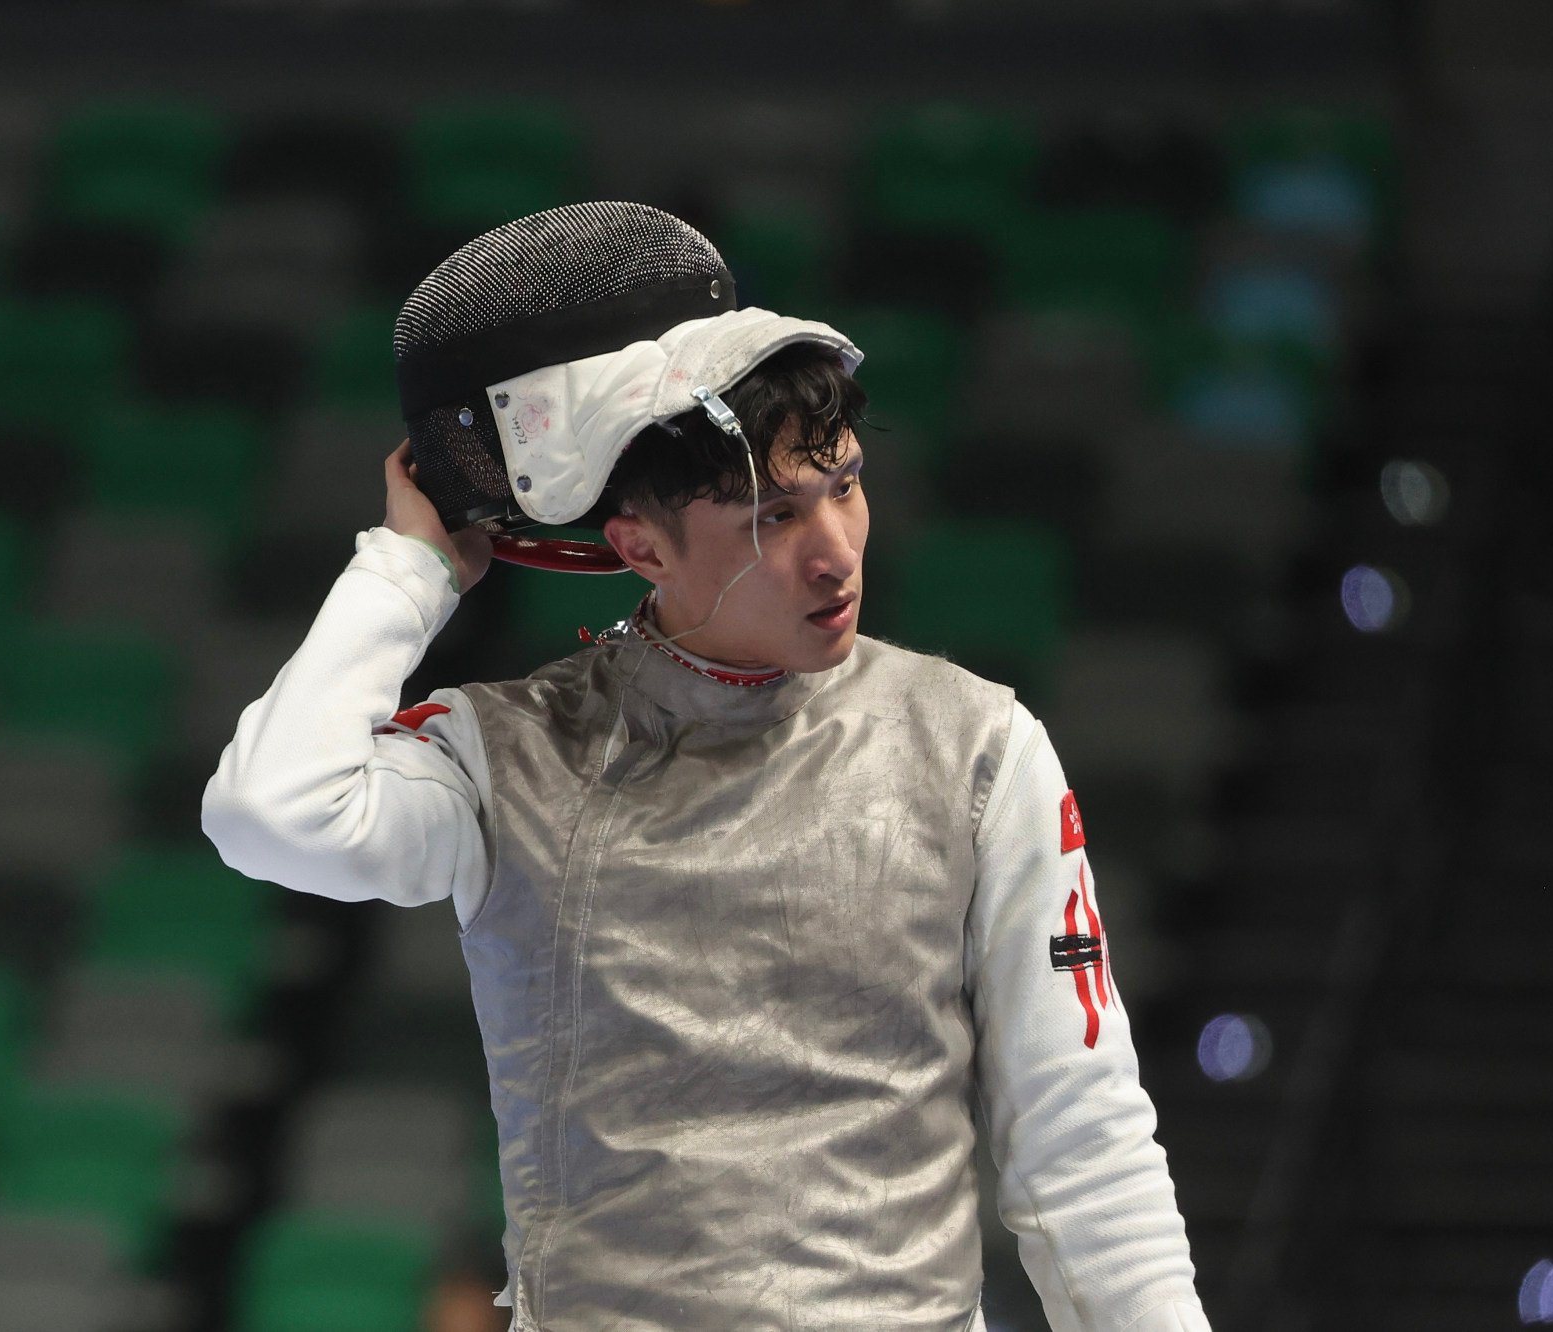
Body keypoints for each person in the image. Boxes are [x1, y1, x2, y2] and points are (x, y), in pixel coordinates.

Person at [202, 203, 1210, 1331]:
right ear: (638, 544)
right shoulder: (516, 757)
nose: (834, 550)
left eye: (843, 485)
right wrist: (407, 572)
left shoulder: (975, 745)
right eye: (774, 515)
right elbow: (270, 812)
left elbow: (1082, 1144)